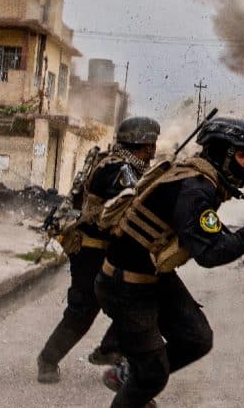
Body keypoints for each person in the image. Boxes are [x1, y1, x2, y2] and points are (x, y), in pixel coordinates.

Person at [92, 116, 244, 408]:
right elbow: (209, 253)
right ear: (221, 153)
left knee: (196, 338)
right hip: (126, 286)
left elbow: (207, 230)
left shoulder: (199, 178)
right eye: (242, 154)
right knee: (154, 373)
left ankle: (128, 375)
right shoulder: (196, 188)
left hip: (151, 278)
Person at [37, 116, 161, 384]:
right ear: (142, 144)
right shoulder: (119, 169)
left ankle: (110, 349)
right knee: (83, 310)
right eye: (150, 144)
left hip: (110, 251)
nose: (153, 150)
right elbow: (132, 202)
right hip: (91, 251)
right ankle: (48, 359)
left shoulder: (123, 164)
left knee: (136, 303)